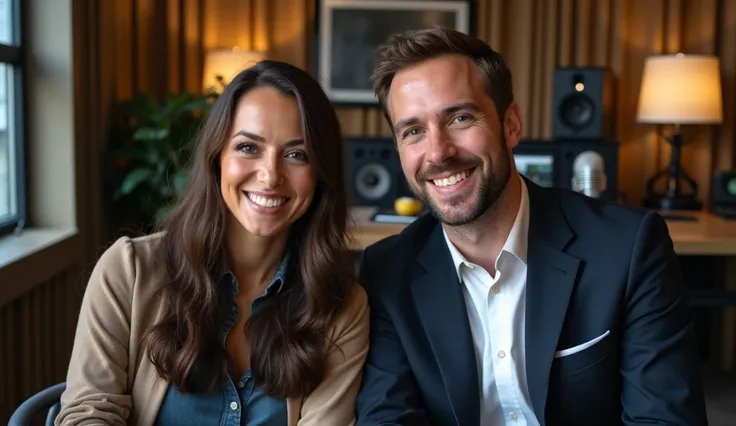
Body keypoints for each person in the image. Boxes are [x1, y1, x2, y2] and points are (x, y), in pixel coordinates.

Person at [354, 28, 708, 426]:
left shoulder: (628, 247)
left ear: (511, 124)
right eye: (413, 131)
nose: (437, 151)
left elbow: (665, 420)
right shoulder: (386, 272)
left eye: (460, 117)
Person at [56, 60, 369, 426]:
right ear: (217, 156)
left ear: (321, 174)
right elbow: (88, 413)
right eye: (248, 147)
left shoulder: (342, 307)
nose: (270, 176)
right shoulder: (128, 271)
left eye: (296, 154)